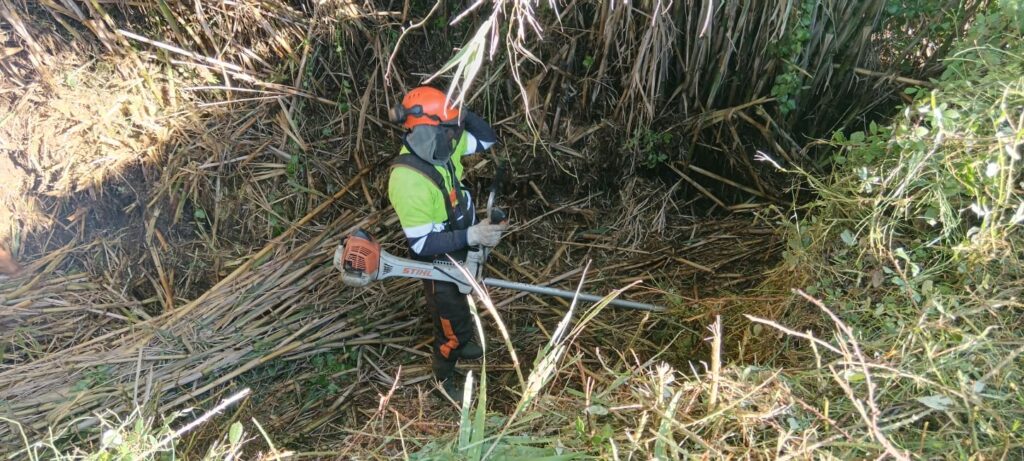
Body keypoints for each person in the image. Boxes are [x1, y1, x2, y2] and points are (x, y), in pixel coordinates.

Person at [386, 86, 507, 403]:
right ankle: (443, 377)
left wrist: (459, 112)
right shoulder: (407, 180)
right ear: (423, 130)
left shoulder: (443, 144)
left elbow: (486, 138)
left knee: (464, 300)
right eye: (448, 131)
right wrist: (473, 236)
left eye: (455, 131)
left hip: (461, 245)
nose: (455, 138)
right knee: (448, 322)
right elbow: (423, 245)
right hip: (438, 264)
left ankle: (464, 335)